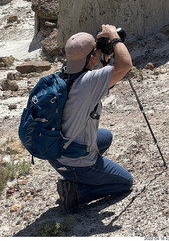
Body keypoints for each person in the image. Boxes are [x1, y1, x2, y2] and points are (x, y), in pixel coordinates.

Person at [48, 24, 133, 213]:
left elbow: (97, 89)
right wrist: (114, 37)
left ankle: (75, 175)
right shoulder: (89, 81)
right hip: (77, 161)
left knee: (106, 136)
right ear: (91, 56)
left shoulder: (62, 76)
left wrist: (104, 60)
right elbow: (125, 65)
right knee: (126, 182)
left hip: (56, 153)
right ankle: (76, 191)